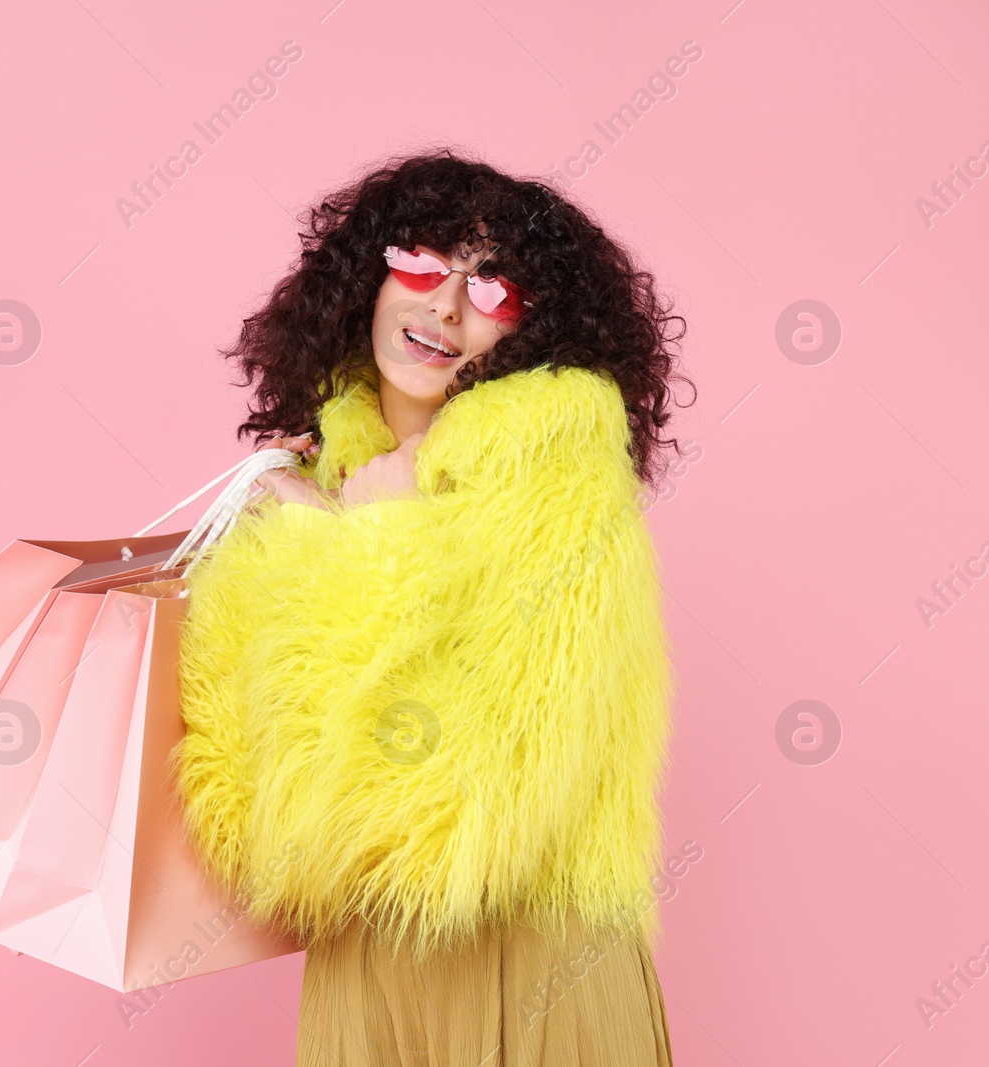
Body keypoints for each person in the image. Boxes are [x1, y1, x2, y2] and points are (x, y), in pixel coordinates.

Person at [169, 147, 692, 1065]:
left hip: (528, 958)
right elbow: (260, 813)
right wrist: (300, 541)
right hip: (363, 961)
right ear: (365, 279)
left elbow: (472, 794)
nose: (446, 305)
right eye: (420, 263)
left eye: (493, 289)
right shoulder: (312, 487)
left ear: (534, 332)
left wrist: (365, 540)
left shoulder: (554, 474)